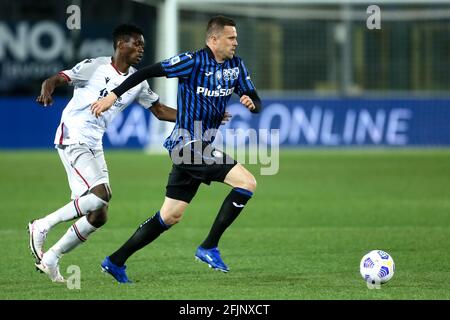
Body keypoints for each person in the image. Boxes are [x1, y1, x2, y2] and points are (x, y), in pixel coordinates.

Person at [91, 15, 261, 283]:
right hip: (185, 144)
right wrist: (114, 94)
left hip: (200, 146)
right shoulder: (191, 61)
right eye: (231, 38)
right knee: (247, 182)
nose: (235, 43)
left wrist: (251, 102)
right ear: (213, 39)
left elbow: (255, 98)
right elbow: (148, 72)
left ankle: (115, 260)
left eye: (236, 38)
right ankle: (208, 247)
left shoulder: (236, 66)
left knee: (170, 216)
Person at [28, 24, 178, 283]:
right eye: (137, 44)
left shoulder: (137, 81)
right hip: (73, 135)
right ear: (121, 44)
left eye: (143, 45)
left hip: (94, 143)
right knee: (101, 194)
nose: (141, 49)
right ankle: (41, 225)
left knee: (99, 214)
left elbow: (160, 110)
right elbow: (58, 78)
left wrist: (197, 116)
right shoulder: (95, 66)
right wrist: (47, 88)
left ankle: (51, 258)